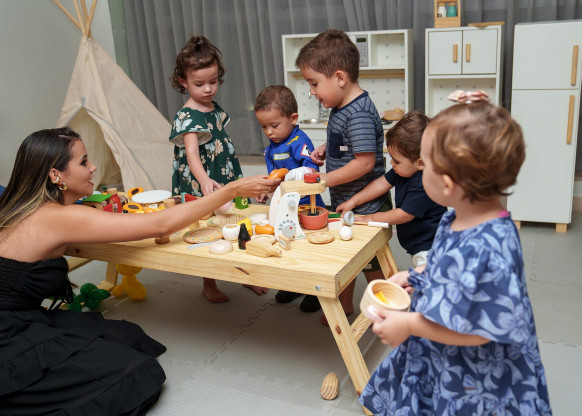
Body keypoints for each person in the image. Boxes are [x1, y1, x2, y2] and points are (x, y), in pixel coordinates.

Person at [0, 128, 278, 415]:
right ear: (56, 175)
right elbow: (160, 225)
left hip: (22, 316)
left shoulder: (23, 207)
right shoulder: (57, 217)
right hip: (8, 331)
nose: (93, 167)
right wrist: (231, 190)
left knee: (132, 337)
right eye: (83, 162)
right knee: (137, 374)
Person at [359, 97, 552, 415]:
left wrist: (408, 324)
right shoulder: (457, 216)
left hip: (475, 376)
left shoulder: (488, 247)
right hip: (441, 349)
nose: (420, 170)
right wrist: (416, 275)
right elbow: (448, 264)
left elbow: (478, 330)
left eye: (425, 164)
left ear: (447, 183)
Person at [296, 29, 391, 324]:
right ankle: (346, 304)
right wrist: (328, 148)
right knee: (345, 256)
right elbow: (348, 142)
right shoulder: (341, 107)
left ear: (339, 77)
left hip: (367, 204)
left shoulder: (358, 113)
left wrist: (325, 180)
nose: (312, 92)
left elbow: (364, 163)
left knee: (371, 262)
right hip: (347, 199)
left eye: (314, 84)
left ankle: (389, 308)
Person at [169, 35, 264, 302]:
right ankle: (208, 283)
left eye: (213, 82)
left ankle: (245, 273)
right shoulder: (187, 116)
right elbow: (191, 153)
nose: (208, 89)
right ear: (183, 82)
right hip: (202, 179)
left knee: (235, 221)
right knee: (208, 228)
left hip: (223, 172)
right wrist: (203, 180)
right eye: (199, 84)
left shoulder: (212, 107)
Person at [337, 111, 446, 268]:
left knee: (427, 281)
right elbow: (381, 184)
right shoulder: (403, 170)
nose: (392, 163)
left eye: (397, 161)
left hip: (431, 249)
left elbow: (404, 215)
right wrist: (354, 201)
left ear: (420, 163)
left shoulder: (424, 183)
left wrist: (371, 218)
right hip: (421, 247)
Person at [254, 85, 325, 312]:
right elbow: (273, 179)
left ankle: (316, 290)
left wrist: (293, 174)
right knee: (288, 245)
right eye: (264, 127)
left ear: (293, 119)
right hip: (284, 207)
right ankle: (295, 284)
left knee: (309, 249)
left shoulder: (299, 141)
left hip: (307, 206)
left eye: (274, 126)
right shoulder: (270, 150)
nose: (269, 132)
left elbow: (312, 170)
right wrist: (266, 190)